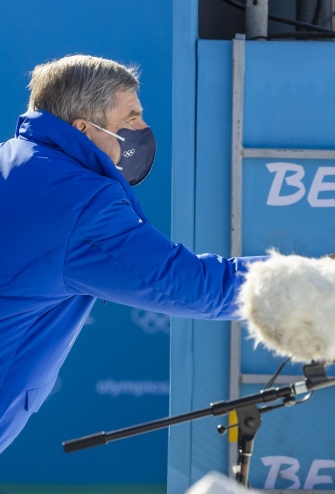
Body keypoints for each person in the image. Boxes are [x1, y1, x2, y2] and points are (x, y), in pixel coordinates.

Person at [0, 55, 264, 453]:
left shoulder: (12, 160)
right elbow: (191, 287)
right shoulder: (81, 203)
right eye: (132, 117)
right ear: (83, 127)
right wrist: (303, 282)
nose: (143, 129)